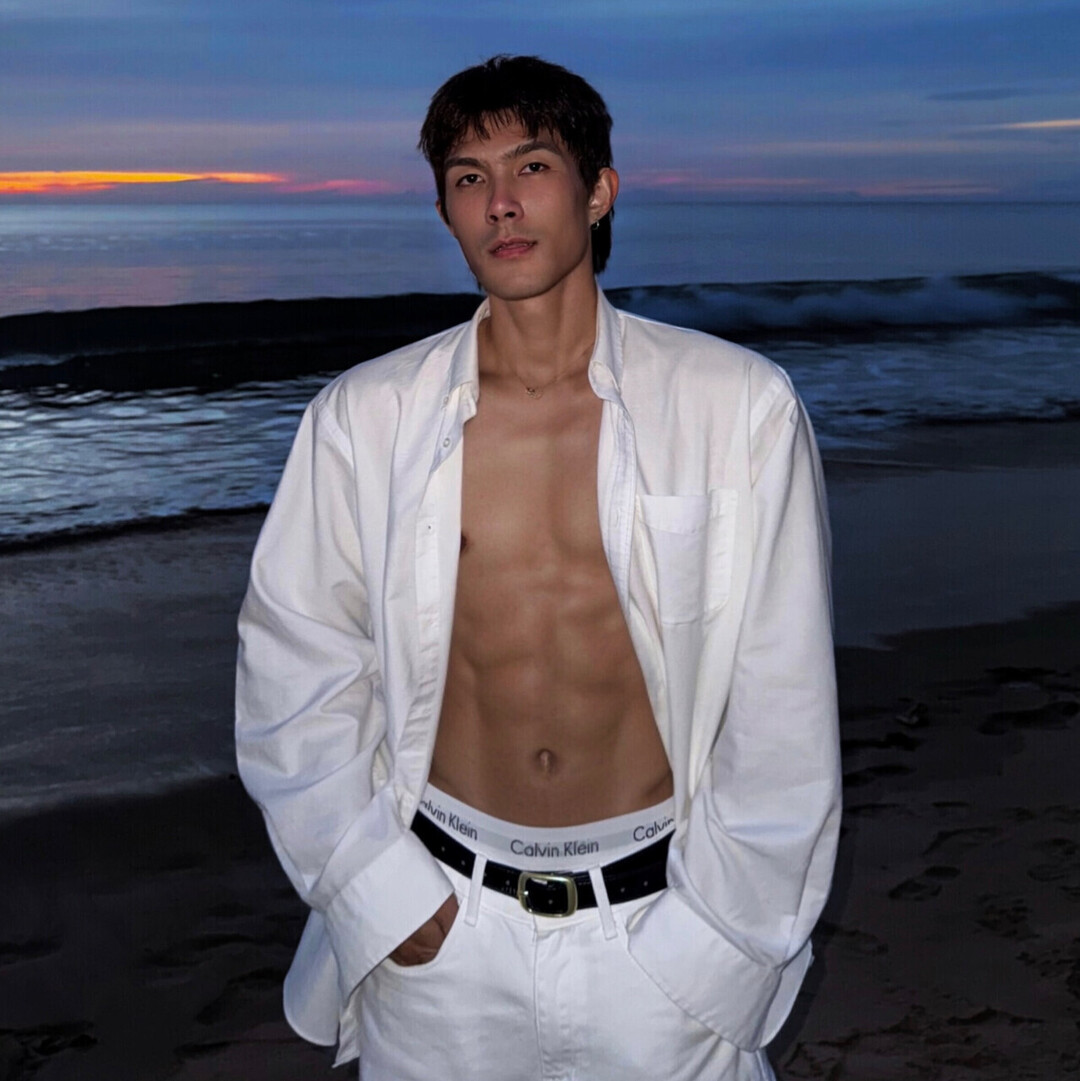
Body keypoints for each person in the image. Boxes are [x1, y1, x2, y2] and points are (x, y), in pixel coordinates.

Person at [236, 54, 841, 1081]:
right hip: (442, 934)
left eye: (532, 166)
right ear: (444, 209)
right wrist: (374, 889)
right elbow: (296, 665)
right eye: (468, 178)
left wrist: (719, 940)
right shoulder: (367, 419)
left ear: (598, 191)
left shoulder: (734, 406)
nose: (501, 203)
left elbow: (782, 703)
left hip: (660, 934)